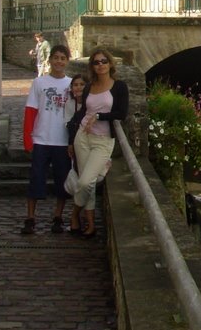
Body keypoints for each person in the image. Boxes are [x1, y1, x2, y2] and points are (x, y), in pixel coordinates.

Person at [68, 48, 128, 238]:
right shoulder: (89, 87)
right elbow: (82, 112)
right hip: (83, 138)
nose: (100, 65)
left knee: (86, 181)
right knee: (89, 184)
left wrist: (100, 116)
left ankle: (74, 214)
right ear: (92, 67)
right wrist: (71, 139)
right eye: (96, 62)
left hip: (103, 141)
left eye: (103, 61)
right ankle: (91, 224)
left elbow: (121, 113)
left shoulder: (119, 87)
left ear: (110, 64)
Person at [21, 44, 73, 235]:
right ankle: (30, 218)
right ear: (50, 60)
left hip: (62, 140)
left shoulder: (71, 84)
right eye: (56, 57)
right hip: (42, 138)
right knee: (35, 179)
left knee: (62, 182)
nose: (59, 61)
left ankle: (58, 217)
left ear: (67, 61)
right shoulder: (39, 83)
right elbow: (31, 111)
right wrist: (28, 139)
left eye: (63, 58)